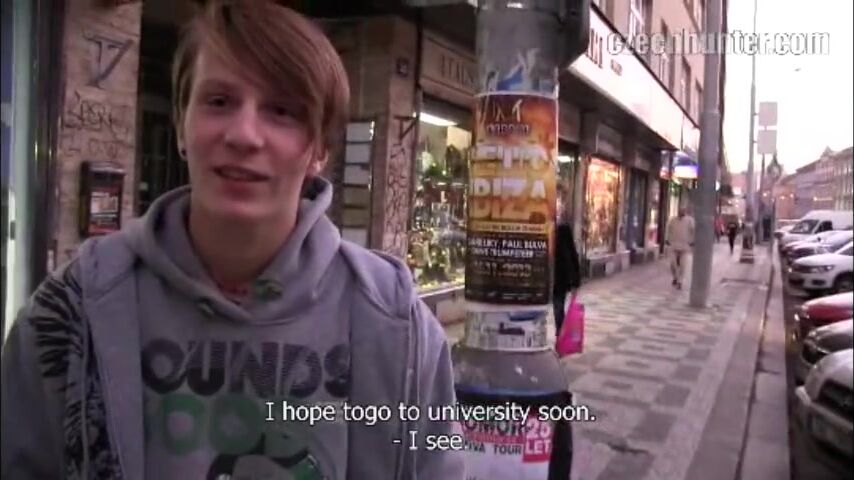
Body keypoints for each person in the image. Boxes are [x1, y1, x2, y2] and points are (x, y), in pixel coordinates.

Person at [0, 2, 464, 479]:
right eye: (219, 101)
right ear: (181, 124)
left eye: (281, 111)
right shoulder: (73, 313)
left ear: (320, 150)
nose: (244, 135)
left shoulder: (397, 323)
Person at [553, 220, 582, 337]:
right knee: (559, 307)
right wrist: (575, 284)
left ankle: (560, 331)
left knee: (558, 307)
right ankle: (561, 331)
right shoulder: (570, 248)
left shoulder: (557, 247)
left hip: (557, 283)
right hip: (563, 284)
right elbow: (575, 267)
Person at [665, 207, 695, 289]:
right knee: (672, 263)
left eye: (683, 210)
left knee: (683, 265)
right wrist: (667, 239)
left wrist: (692, 241)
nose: (681, 212)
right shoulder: (672, 220)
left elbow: (694, 231)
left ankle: (680, 281)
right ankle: (675, 277)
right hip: (673, 245)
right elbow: (668, 230)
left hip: (685, 246)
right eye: (680, 210)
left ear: (685, 211)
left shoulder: (690, 220)